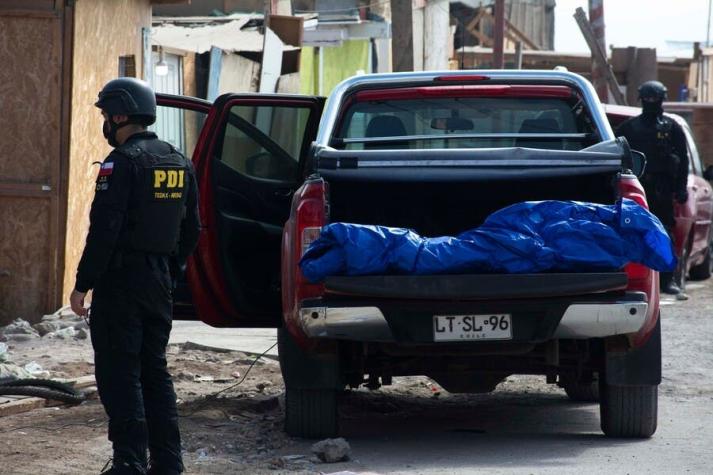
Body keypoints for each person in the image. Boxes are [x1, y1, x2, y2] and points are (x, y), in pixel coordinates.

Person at [69, 77, 201, 474]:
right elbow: (192, 229)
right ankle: (168, 463)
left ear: (121, 115)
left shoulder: (121, 162)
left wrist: (82, 284)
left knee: (119, 372)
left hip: (121, 283)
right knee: (154, 371)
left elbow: (105, 230)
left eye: (107, 115)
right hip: (159, 281)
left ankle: (129, 462)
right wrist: (169, 269)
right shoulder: (180, 160)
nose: (106, 123)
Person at [616, 80, 689, 296]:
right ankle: (634, 277)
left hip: (663, 189)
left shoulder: (671, 127)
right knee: (634, 230)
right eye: (647, 98)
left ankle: (667, 280)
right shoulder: (629, 128)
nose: (651, 102)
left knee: (665, 232)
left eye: (654, 98)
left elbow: (683, 160)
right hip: (638, 186)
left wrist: (681, 187)